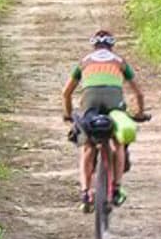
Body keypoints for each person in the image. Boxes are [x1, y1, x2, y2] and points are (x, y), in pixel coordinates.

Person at [62, 29, 146, 210]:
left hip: (89, 102)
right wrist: (140, 113)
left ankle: (85, 193)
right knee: (118, 144)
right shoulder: (120, 62)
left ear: (94, 46)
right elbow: (138, 93)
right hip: (114, 102)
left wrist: (68, 115)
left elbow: (66, 93)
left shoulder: (84, 62)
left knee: (87, 146)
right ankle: (116, 189)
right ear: (111, 46)